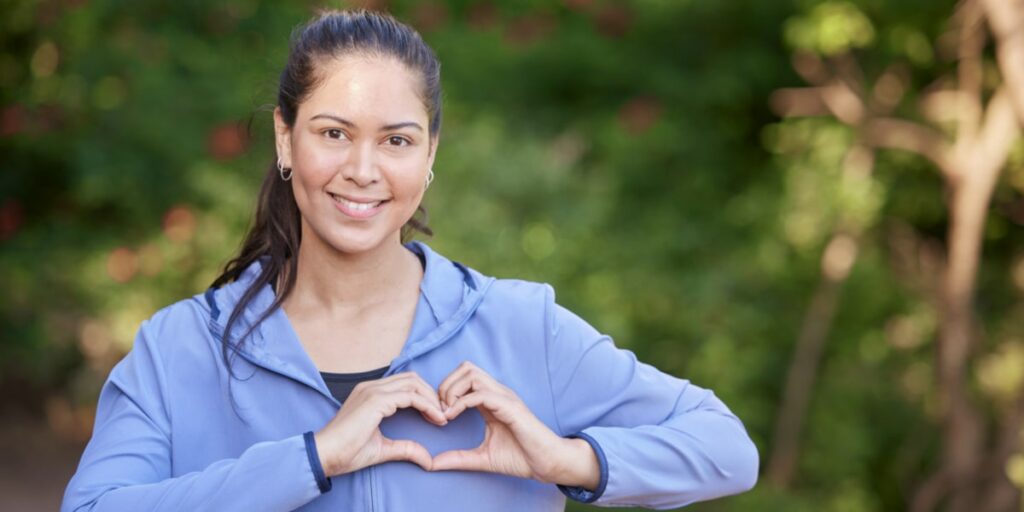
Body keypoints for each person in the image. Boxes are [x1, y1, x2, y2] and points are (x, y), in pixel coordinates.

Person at [61, 9, 758, 512]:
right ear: (285, 139)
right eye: (333, 133)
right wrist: (312, 458)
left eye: (396, 141)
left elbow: (726, 448)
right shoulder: (181, 348)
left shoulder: (521, 327)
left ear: (429, 158)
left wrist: (566, 459)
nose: (362, 169)